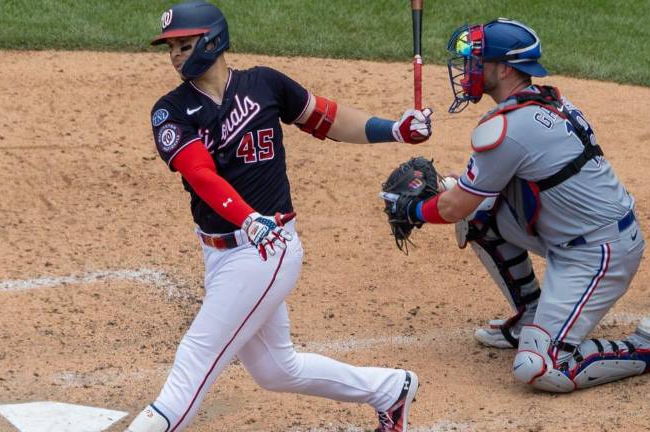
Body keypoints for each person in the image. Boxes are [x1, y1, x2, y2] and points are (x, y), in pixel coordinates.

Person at [126, 2, 433, 431]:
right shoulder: (171, 111)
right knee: (276, 369)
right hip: (224, 252)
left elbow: (326, 118)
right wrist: (248, 215)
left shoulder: (264, 85)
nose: (176, 55)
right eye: (171, 48)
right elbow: (199, 173)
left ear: (212, 40)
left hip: (267, 251)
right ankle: (390, 389)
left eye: (184, 44)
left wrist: (394, 130)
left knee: (193, 363)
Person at [382, 18, 650, 392]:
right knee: (476, 212)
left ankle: (647, 347)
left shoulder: (511, 128)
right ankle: (532, 315)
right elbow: (471, 197)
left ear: (503, 68)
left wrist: (412, 210)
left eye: (476, 61)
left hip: (600, 254)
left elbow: (452, 207)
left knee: (540, 368)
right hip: (571, 234)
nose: (467, 70)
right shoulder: (544, 102)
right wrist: (450, 193)